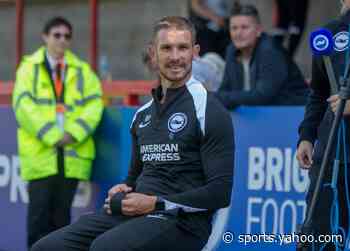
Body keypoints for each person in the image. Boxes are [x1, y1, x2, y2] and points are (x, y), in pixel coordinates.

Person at [30, 16, 235, 251]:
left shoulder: (209, 109)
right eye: (166, 48)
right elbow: (134, 177)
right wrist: (124, 188)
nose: (176, 56)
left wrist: (155, 204)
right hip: (137, 214)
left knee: (106, 247)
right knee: (46, 247)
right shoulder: (142, 115)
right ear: (153, 54)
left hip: (182, 223)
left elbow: (220, 194)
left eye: (183, 48)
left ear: (195, 52)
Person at [12, 17, 104, 249]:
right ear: (45, 37)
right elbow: (23, 107)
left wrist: (73, 133)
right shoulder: (28, 68)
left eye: (67, 36)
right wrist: (54, 136)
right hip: (42, 155)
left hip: (71, 156)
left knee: (63, 222)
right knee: (38, 220)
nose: (62, 40)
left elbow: (94, 105)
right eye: (57, 35)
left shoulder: (82, 70)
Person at [297, 1, 350, 250]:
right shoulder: (329, 33)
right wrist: (306, 136)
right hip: (330, 153)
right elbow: (318, 92)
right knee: (319, 232)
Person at [216, 3, 309, 110]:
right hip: (257, 115)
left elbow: (262, 96)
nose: (238, 33)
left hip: (293, 113)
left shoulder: (269, 51)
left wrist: (216, 97)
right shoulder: (231, 50)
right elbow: (225, 89)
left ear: (258, 30)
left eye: (244, 27)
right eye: (234, 28)